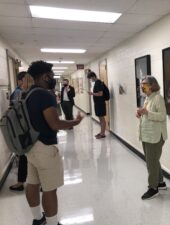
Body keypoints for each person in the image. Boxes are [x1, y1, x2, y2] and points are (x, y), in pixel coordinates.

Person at [26, 60, 83, 225]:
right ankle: (52, 222)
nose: (53, 78)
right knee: (50, 188)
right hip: (44, 147)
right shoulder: (45, 95)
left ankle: (37, 219)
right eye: (51, 75)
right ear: (44, 76)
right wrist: (74, 122)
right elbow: (55, 124)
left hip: (30, 146)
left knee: (32, 183)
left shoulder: (28, 93)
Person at [136, 75, 168, 200]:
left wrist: (147, 113)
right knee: (153, 160)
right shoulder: (148, 98)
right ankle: (160, 183)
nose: (142, 86)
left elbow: (162, 116)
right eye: (141, 84)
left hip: (155, 136)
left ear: (152, 85)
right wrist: (140, 113)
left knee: (151, 163)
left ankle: (153, 188)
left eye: (144, 84)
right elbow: (147, 114)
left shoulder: (158, 98)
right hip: (147, 135)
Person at [9, 72, 33, 191]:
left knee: (25, 156)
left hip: (26, 130)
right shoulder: (20, 93)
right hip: (27, 130)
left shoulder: (22, 93)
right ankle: (23, 182)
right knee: (27, 157)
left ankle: (21, 182)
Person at [87, 71, 107, 139]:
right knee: (100, 118)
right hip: (98, 103)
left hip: (100, 104)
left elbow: (100, 94)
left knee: (102, 118)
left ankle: (103, 133)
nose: (90, 80)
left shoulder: (98, 82)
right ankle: (101, 132)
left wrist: (92, 93)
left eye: (90, 78)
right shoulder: (97, 83)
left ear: (93, 76)